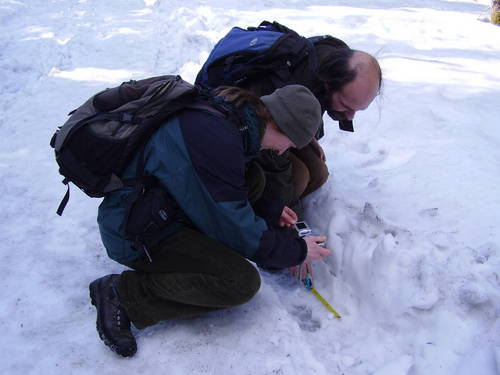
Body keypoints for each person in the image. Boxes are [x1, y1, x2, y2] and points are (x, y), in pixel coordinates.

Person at [90, 85, 332, 357]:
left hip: (160, 208)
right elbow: (237, 229)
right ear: (280, 125)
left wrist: (269, 209)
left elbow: (228, 186)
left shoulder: (236, 118)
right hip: (137, 232)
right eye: (291, 143)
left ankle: (194, 252)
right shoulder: (215, 140)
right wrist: (296, 251)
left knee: (255, 178)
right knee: (239, 282)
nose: (284, 151)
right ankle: (125, 294)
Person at [198, 29, 382, 216]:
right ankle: (259, 216)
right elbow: (273, 163)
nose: (350, 117)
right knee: (299, 177)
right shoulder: (285, 84)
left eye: (357, 110)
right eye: (345, 105)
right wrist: (293, 226)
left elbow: (313, 104)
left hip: (271, 127)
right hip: (232, 131)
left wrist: (307, 135)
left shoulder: (333, 64)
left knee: (318, 172)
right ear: (328, 84)